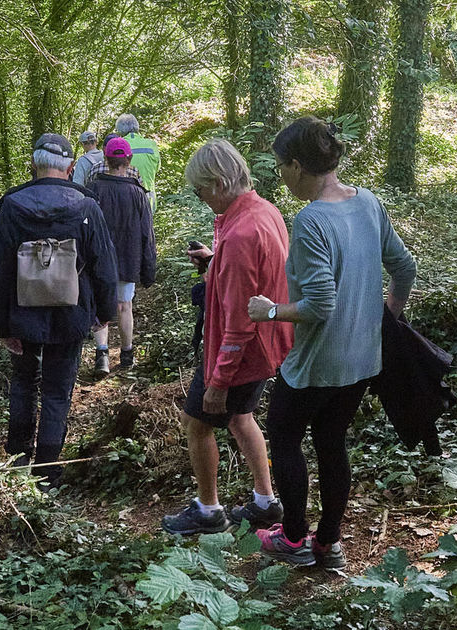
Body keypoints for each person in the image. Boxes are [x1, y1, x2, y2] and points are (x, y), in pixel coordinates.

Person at [247, 117, 416, 568]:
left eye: (282, 166)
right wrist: (385, 320)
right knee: (331, 440)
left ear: (299, 166)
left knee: (283, 437)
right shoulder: (367, 203)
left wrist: (271, 311)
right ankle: (328, 543)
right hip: (362, 359)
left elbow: (320, 303)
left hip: (318, 362)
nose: (280, 175)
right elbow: (405, 268)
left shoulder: (311, 220)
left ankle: (295, 540)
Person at [161, 139, 294, 536]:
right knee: (240, 417)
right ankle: (265, 502)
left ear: (218, 182)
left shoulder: (239, 235)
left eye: (200, 190)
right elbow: (250, 276)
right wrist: (213, 263)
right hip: (266, 348)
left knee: (197, 423)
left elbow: (239, 321)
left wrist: (218, 382)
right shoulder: (263, 210)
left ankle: (208, 509)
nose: (200, 198)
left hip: (238, 352)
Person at [0, 133, 119, 488]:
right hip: (70, 313)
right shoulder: (86, 207)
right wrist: (104, 313)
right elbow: (104, 265)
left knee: (23, 383)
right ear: (72, 168)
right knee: (58, 390)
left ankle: (17, 462)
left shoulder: (12, 206)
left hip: (22, 314)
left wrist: (3, 326)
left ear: (33, 165)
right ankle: (47, 470)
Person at [86, 137, 157, 374]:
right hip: (128, 259)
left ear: (106, 159)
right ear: (129, 160)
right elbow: (147, 234)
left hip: (97, 260)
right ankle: (127, 355)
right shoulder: (138, 193)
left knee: (99, 306)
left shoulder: (93, 190)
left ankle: (102, 357)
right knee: (124, 305)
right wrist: (148, 269)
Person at [115, 114, 161, 211]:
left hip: (126, 200)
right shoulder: (151, 144)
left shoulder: (118, 145)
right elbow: (157, 168)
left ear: (119, 129)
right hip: (149, 199)